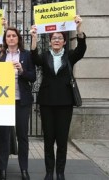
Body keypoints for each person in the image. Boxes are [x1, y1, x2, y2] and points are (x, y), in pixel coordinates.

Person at [30, 15, 86, 180]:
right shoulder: (45, 56)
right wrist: (33, 37)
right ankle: (49, 172)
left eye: (59, 38)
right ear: (49, 41)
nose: (56, 40)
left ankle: (60, 172)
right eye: (53, 38)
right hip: (47, 103)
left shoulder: (69, 55)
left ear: (64, 42)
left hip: (64, 103)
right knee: (48, 140)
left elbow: (81, 50)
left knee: (62, 141)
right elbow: (34, 58)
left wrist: (79, 29)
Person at [0, 27, 36, 180]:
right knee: (3, 136)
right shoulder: (0, 55)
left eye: (13, 36)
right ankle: (2, 168)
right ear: (5, 39)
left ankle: (24, 169)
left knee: (22, 136)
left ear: (18, 38)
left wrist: (22, 70)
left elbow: (33, 77)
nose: (11, 38)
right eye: (8, 36)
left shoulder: (26, 55)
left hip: (21, 102)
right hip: (4, 102)